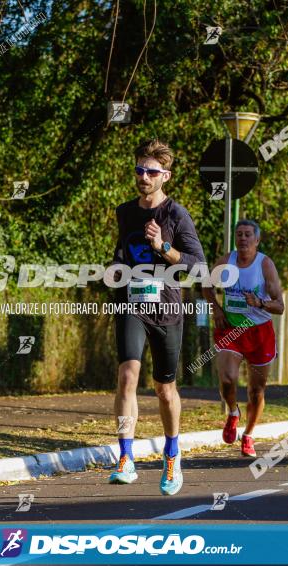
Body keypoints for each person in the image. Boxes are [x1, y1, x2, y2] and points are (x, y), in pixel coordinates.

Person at [107, 138, 206, 495]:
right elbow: (122, 252)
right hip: (131, 303)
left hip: (165, 307)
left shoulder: (176, 215)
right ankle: (126, 457)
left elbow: (199, 266)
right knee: (127, 376)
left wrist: (165, 248)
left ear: (165, 175)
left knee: (165, 390)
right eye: (139, 170)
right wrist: (115, 268)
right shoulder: (124, 212)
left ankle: (172, 454)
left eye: (151, 172)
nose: (143, 177)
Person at [202, 219, 284, 458]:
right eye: (239, 234)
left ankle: (248, 435)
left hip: (259, 332)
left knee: (256, 391)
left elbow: (280, 306)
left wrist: (259, 302)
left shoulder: (265, 265)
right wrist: (216, 309)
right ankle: (232, 412)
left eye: (248, 234)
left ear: (257, 240)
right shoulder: (226, 262)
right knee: (228, 379)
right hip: (232, 330)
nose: (243, 238)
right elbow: (206, 284)